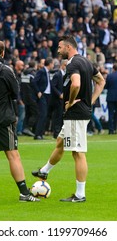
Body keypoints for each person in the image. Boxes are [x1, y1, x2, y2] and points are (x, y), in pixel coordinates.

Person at [32, 35, 105, 202]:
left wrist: (71, 102)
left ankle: (80, 195)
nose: (58, 50)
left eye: (60, 47)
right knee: (60, 142)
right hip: (79, 112)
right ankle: (44, 171)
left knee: (78, 153)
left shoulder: (73, 63)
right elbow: (101, 82)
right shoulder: (86, 62)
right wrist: (90, 102)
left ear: (68, 47)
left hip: (75, 114)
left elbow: (76, 84)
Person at [0, 39, 39, 202]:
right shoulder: (6, 70)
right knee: (13, 155)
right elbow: (15, 92)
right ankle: (24, 193)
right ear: (3, 53)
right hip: (3, 117)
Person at [32, 57, 54, 140]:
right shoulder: (41, 71)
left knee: (44, 115)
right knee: (43, 114)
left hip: (47, 95)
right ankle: (37, 134)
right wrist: (38, 92)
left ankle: (40, 134)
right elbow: (34, 81)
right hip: (43, 95)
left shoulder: (47, 72)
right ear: (50, 64)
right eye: (52, 63)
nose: (53, 65)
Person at [105, 63, 117, 134]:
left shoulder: (109, 76)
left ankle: (111, 130)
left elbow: (106, 86)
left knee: (110, 114)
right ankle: (115, 128)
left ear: (113, 68)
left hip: (111, 97)